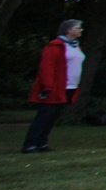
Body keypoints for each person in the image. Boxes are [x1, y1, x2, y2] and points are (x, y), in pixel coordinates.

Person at [24, 19, 85, 153]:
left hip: (70, 86)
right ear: (69, 30)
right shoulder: (55, 46)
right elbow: (47, 67)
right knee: (44, 115)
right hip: (56, 87)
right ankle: (31, 144)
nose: (81, 30)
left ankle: (42, 142)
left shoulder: (76, 46)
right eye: (78, 28)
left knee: (52, 117)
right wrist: (47, 86)